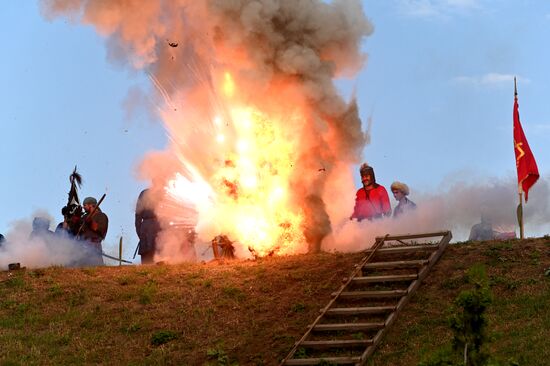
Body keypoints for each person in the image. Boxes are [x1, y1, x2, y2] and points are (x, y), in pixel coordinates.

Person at [135, 188, 162, 264]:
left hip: (160, 226)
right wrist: (140, 232)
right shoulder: (144, 194)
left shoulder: (167, 193)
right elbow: (138, 214)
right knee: (147, 258)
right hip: (147, 228)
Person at [80, 196, 108, 265]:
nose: (83, 207)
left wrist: (91, 222)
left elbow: (101, 231)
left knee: (95, 268)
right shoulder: (84, 217)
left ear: (91, 205)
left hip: (95, 246)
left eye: (85, 205)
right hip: (82, 246)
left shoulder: (101, 216)